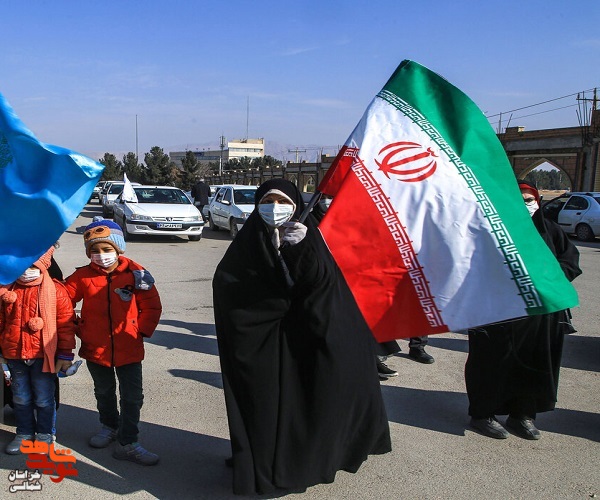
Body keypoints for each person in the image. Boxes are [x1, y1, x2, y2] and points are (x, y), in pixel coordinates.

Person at [213, 179, 391, 495]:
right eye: (267, 201)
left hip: (308, 339)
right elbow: (229, 287)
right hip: (262, 345)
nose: (274, 208)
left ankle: (303, 466)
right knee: (262, 408)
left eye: (282, 201)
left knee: (311, 407)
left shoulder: (311, 237)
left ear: (296, 205)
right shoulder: (248, 242)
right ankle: (257, 463)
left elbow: (323, 288)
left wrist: (301, 249)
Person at [465, 181, 582, 440]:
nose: (525, 205)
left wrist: (548, 279)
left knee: (534, 363)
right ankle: (483, 414)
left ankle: (523, 414)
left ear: (537, 201)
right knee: (491, 363)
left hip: (541, 314)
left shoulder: (550, 230)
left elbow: (570, 261)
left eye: (529, 200)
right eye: (519, 199)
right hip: (498, 313)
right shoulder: (491, 229)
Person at [64, 217, 162, 465]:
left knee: (132, 396)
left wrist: (139, 331)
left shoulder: (136, 273)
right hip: (95, 348)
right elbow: (63, 302)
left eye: (106, 249)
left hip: (129, 347)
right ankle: (109, 426)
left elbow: (151, 306)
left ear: (118, 248)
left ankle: (128, 442)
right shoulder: (82, 276)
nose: (101, 255)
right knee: (104, 391)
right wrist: (78, 326)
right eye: (94, 251)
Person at [0, 246, 76, 454]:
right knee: (20, 398)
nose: (27, 271)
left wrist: (65, 354)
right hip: (14, 355)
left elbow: (65, 325)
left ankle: (45, 434)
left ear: (43, 266)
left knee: (44, 398)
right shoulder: (7, 290)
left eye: (32, 266)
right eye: (22, 266)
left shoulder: (56, 291)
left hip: (43, 356)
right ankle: (24, 433)